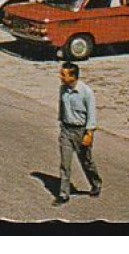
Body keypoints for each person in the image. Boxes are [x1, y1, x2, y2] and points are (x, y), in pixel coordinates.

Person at [55, 62, 101, 204]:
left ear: (73, 76)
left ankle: (95, 183)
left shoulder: (86, 92)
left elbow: (92, 115)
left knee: (86, 162)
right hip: (66, 130)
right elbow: (62, 107)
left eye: (64, 74)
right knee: (65, 163)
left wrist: (89, 134)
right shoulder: (63, 89)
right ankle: (63, 194)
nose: (60, 77)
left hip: (81, 131)